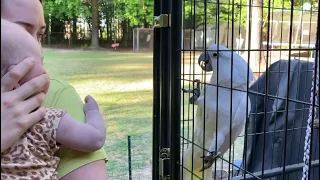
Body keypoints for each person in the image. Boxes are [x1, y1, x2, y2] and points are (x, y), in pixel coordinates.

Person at [1, 0, 109, 179]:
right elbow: (94, 138)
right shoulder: (47, 117)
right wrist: (93, 111)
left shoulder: (59, 95)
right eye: (23, 31)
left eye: (40, 35)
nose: (37, 45)